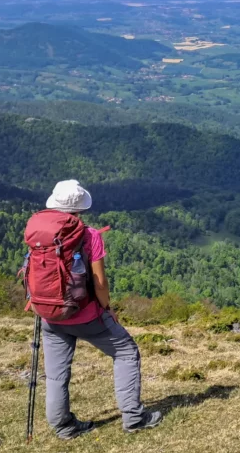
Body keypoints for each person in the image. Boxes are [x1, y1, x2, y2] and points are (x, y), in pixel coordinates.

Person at [36, 179, 162, 438]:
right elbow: (100, 282)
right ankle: (134, 417)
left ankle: (63, 427)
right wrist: (108, 308)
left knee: (56, 374)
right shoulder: (88, 235)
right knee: (126, 351)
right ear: (80, 208)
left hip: (49, 314)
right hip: (86, 314)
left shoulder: (41, 235)